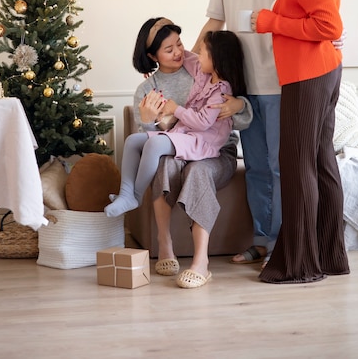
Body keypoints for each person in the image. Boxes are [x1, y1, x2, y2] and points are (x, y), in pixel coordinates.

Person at [107, 17, 252, 288]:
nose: (179, 52)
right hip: (180, 140)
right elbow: (149, 130)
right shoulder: (146, 89)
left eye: (179, 44)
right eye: (168, 49)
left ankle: (201, 262)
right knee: (151, 153)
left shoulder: (200, 68)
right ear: (152, 56)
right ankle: (162, 241)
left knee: (193, 168)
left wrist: (238, 105)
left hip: (211, 148)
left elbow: (233, 108)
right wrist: (150, 121)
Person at [251, 0, 349, 283]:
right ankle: (329, 256)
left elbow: (330, 27)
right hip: (325, 72)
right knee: (321, 162)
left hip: (307, 77)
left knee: (296, 165)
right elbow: (330, 27)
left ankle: (300, 264)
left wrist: (271, 21)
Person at [193, 0, 287, 265]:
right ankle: (263, 239)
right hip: (242, 89)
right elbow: (215, 22)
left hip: (281, 84)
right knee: (258, 168)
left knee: (281, 168)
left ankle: (283, 244)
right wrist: (187, 62)